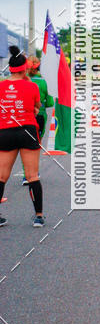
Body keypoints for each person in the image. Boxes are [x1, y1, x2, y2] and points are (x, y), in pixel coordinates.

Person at [0, 46, 45, 227]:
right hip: (27, 130)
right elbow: (36, 108)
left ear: (10, 68)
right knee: (33, 176)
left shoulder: (1, 86)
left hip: (5, 132)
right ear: (25, 68)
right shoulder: (32, 86)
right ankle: (39, 216)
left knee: (2, 176)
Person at [26, 57, 54, 140]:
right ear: (39, 67)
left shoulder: (21, 80)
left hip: (23, 116)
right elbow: (50, 103)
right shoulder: (44, 82)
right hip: (39, 115)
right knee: (37, 143)